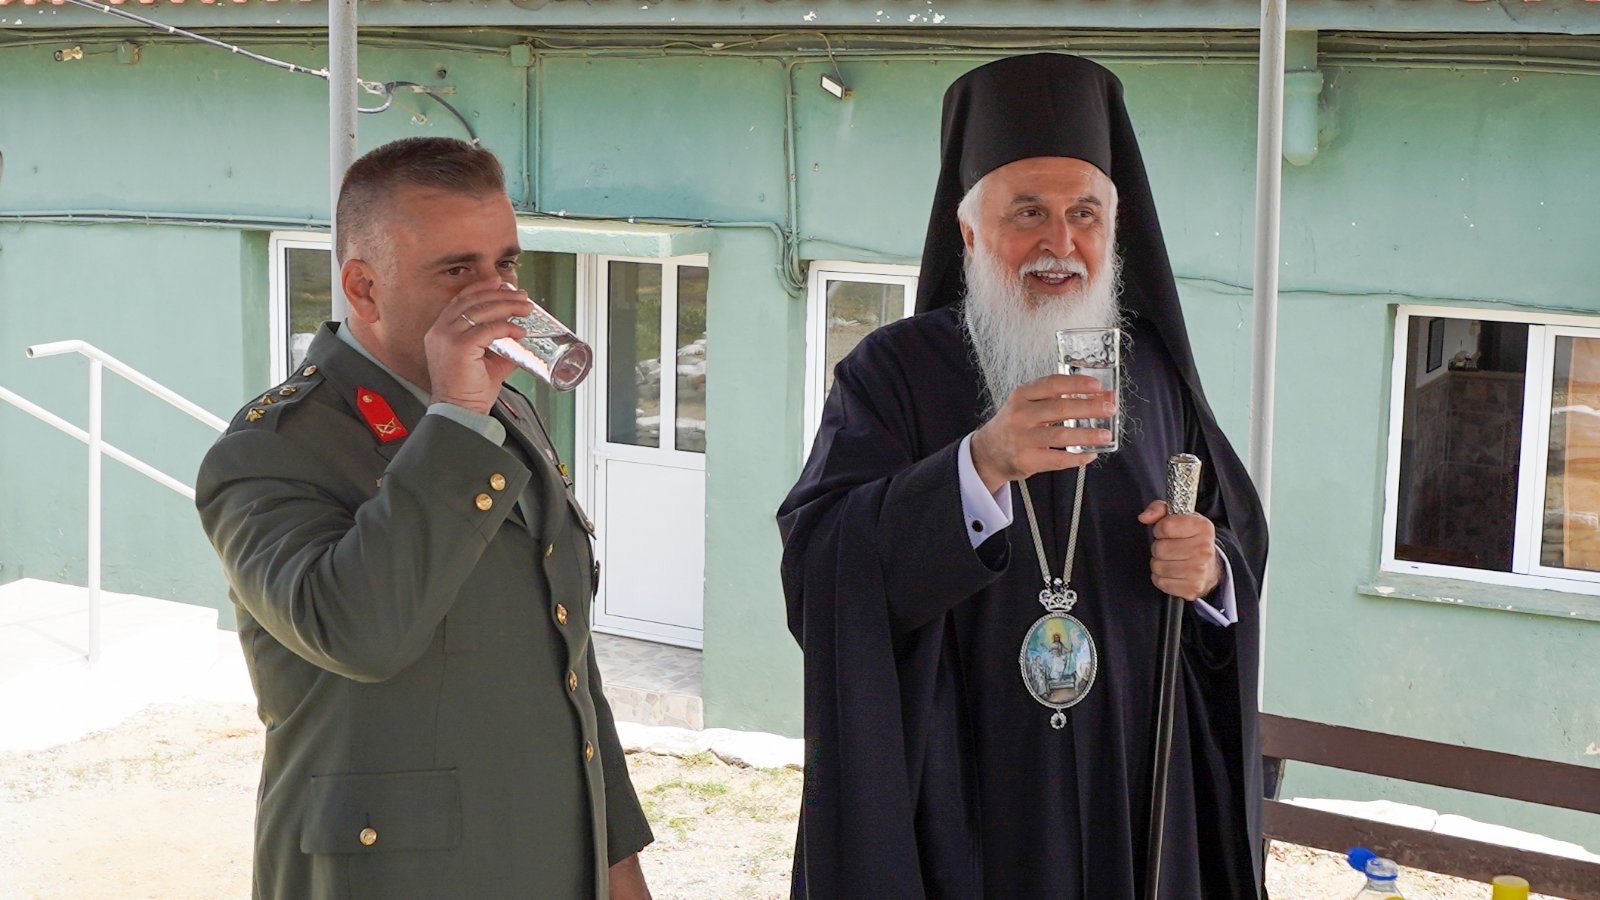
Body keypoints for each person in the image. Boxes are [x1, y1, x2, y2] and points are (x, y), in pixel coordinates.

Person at [778, 54, 1268, 899]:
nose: (1060, 244)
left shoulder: (1151, 374)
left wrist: (1211, 569)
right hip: (966, 795)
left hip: (1134, 792)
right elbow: (821, 565)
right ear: (969, 232)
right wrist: (980, 464)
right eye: (1028, 213)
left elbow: (1232, 539)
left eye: (1085, 214)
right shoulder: (893, 371)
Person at [196, 137, 653, 900]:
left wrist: (618, 862)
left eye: (505, 264)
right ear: (364, 288)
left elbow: (568, 662)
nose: (497, 295)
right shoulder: (269, 449)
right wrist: (456, 419)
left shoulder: (505, 412)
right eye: (457, 271)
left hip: (547, 863)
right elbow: (359, 633)